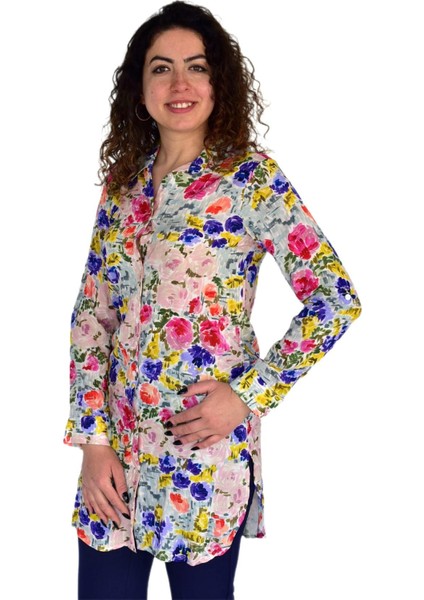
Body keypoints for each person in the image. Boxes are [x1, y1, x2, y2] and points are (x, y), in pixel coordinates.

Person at [64, 2, 362, 598]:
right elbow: (92, 319)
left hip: (202, 458)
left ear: (218, 82)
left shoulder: (252, 180)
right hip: (115, 459)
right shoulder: (122, 188)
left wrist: (248, 395)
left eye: (196, 67)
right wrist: (93, 443)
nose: (180, 83)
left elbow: (335, 299)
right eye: (161, 68)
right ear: (139, 88)